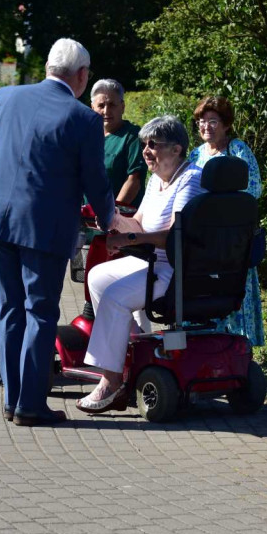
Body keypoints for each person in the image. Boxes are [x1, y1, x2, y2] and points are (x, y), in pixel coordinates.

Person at [0, 38, 117, 427]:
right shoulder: (84, 118)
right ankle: (30, 405)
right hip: (43, 229)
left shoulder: (5, 96)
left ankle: (11, 398)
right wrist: (108, 218)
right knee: (40, 311)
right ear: (82, 76)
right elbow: (95, 180)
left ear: (50, 66)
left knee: (9, 309)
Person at [76, 116, 205, 414]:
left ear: (176, 149)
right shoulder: (157, 179)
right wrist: (110, 218)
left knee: (114, 296)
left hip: (174, 270)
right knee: (97, 276)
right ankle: (131, 346)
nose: (146, 150)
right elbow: (138, 223)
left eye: (154, 145)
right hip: (150, 263)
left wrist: (128, 238)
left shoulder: (190, 178)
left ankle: (111, 382)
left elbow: (175, 237)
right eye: (144, 144)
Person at [187, 96, 265, 346]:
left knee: (233, 287)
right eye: (201, 121)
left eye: (212, 121)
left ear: (226, 124)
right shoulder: (194, 154)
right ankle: (204, 342)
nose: (205, 126)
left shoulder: (238, 149)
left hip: (232, 235)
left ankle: (239, 345)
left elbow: (253, 188)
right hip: (202, 236)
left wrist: (220, 209)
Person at [90, 79, 147, 209]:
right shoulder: (87, 136)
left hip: (119, 220)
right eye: (101, 105)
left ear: (122, 106)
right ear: (92, 107)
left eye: (112, 105)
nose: (106, 111)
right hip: (87, 218)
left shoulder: (133, 136)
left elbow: (134, 181)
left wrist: (113, 214)